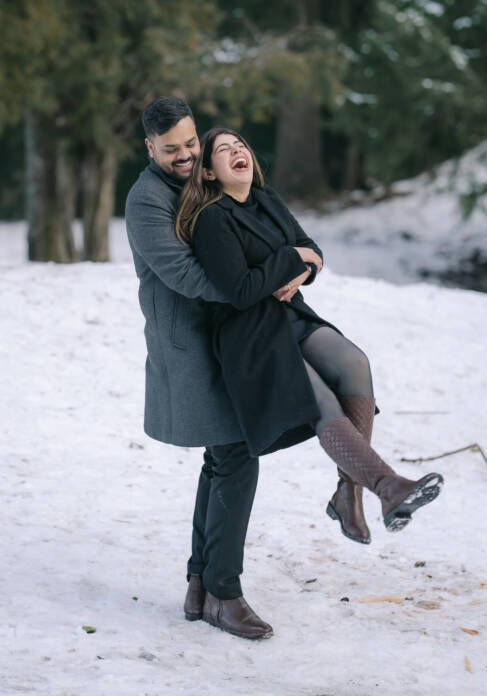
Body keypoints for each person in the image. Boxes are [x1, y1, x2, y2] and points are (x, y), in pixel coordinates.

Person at [176, 126, 444, 571]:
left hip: (290, 316)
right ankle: (387, 486)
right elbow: (241, 291)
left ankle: (347, 492)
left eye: (240, 145)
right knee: (319, 399)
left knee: (354, 363)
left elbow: (312, 249)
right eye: (223, 150)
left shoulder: (266, 199)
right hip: (250, 334)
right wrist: (293, 258)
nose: (238, 151)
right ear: (208, 172)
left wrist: (304, 266)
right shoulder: (212, 220)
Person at [125, 98, 321, 641]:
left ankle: (201, 584)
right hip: (188, 342)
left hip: (228, 335)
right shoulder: (146, 200)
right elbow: (187, 275)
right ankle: (223, 593)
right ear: (149, 148)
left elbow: (260, 231)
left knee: (224, 456)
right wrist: (262, 282)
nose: (185, 155)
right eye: (171, 149)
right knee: (236, 455)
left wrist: (288, 266)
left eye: (191, 143)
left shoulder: (199, 180)